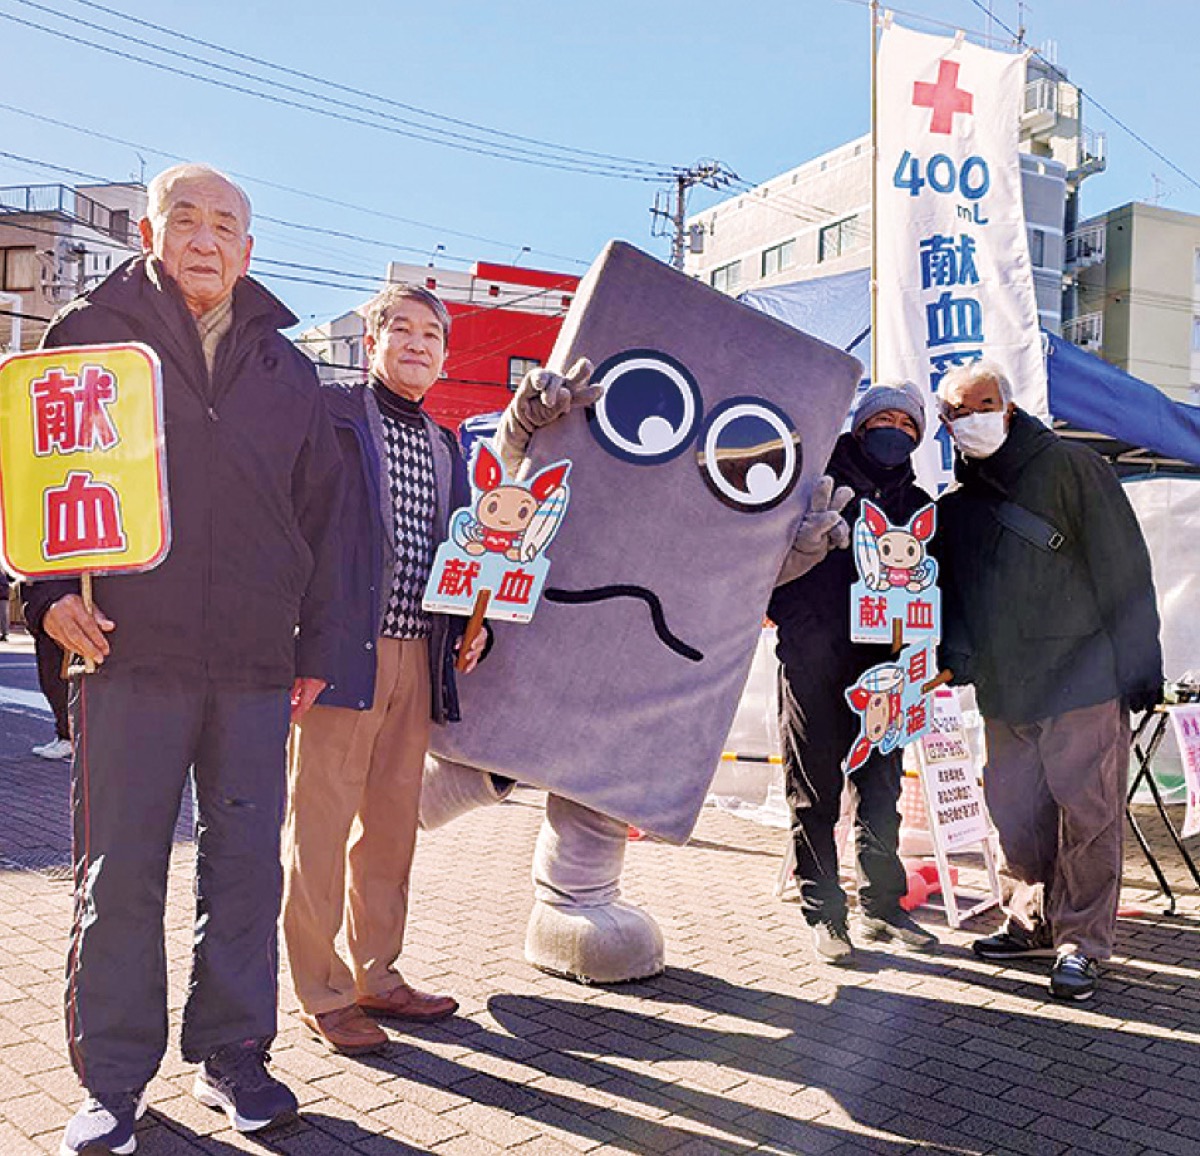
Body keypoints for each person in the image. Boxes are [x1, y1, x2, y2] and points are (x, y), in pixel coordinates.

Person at [22, 163, 343, 1155]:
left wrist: (318, 645)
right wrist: (45, 596)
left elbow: (324, 521)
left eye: (228, 226)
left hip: (253, 664)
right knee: (119, 876)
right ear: (151, 232)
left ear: (250, 250)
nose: (207, 240)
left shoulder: (289, 369)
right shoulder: (84, 335)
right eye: (188, 220)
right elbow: (38, 480)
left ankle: (233, 1057)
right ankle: (113, 1085)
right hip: (126, 654)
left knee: (246, 870)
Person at [282, 283, 504, 1056]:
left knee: (389, 829)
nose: (416, 344)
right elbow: (291, 526)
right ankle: (322, 989)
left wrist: (474, 630)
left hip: (417, 652)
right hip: (342, 650)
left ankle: (379, 973)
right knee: (319, 825)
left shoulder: (448, 446)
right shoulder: (332, 414)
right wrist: (300, 642)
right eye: (400, 330)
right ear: (372, 340)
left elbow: (464, 554)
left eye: (431, 336)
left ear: (445, 355)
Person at [935, 359, 1162, 1002]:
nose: (967, 421)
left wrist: (1140, 665)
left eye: (978, 405)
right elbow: (954, 598)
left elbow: (1124, 570)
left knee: (1086, 813)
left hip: (1084, 676)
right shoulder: (957, 506)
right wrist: (957, 660)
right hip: (1006, 687)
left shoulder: (1074, 468)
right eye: (954, 413)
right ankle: (1029, 916)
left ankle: (1082, 943)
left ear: (1006, 408)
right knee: (1014, 812)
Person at [769, 381, 939, 964]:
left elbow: (930, 580)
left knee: (882, 785)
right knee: (813, 784)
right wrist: (792, 613)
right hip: (814, 651)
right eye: (882, 418)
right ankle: (825, 913)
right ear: (859, 424)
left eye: (907, 422)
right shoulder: (815, 478)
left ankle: (884, 906)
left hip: (887, 665)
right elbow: (769, 553)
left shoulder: (919, 503)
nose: (894, 430)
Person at [31, 625, 73, 760]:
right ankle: (64, 733)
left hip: (61, 624)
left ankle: (69, 736)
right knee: (49, 680)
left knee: (57, 682)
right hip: (45, 625)